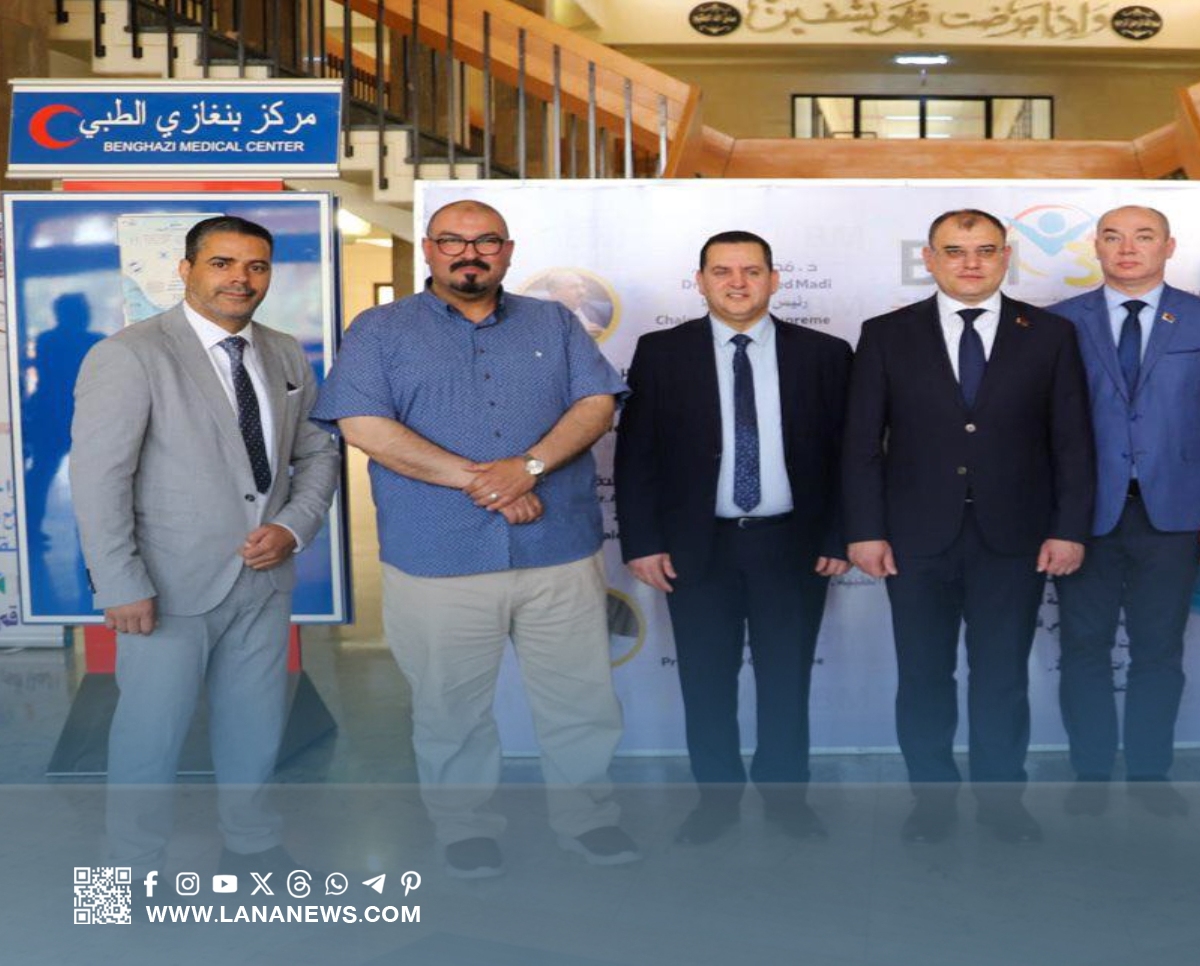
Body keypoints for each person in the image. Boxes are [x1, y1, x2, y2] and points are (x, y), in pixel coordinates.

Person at [312, 199, 636, 878]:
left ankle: (589, 817)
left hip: (558, 550)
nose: (470, 253)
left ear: (508, 251)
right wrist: (491, 483)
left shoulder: (554, 322)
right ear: (429, 249)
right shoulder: (380, 329)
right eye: (453, 241)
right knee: (449, 707)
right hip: (437, 556)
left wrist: (529, 467)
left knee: (581, 699)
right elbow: (364, 426)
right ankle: (464, 826)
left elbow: (597, 405)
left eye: (486, 241)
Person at [74, 215, 339, 873]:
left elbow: (318, 451)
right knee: (150, 737)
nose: (240, 279)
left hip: (264, 578)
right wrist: (120, 582)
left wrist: (292, 526)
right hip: (165, 587)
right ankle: (130, 869)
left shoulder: (284, 351)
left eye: (256, 266)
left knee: (255, 724)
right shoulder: (131, 354)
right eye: (222, 263)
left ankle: (251, 842)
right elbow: (100, 478)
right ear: (186, 269)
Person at [843, 208, 1094, 844]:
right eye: (954, 251)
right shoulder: (885, 334)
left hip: (1015, 538)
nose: (971, 262)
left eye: (985, 249)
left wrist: (1069, 528)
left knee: (1002, 678)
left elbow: (1072, 441)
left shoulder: (1051, 334)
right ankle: (931, 802)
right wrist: (865, 529)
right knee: (924, 678)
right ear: (928, 259)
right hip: (914, 540)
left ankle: (1002, 803)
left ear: (1006, 257)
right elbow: (861, 443)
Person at [614, 230, 852, 845]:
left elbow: (848, 456)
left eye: (751, 271)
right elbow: (636, 456)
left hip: (791, 546)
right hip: (698, 549)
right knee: (705, 682)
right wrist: (641, 541)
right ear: (700, 282)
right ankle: (715, 802)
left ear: (775, 280)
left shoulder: (825, 354)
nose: (737, 283)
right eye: (722, 271)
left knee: (786, 681)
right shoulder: (661, 352)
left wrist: (840, 535)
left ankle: (786, 800)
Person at [1046, 205, 1200, 817]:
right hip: (1085, 516)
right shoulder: (1058, 322)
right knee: (1083, 648)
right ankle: (1090, 771)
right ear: (1096, 248)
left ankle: (1150, 772)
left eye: (1143, 236)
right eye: (1113, 237)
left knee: (1159, 650)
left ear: (1169, 246)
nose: (1127, 248)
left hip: (1176, 515)